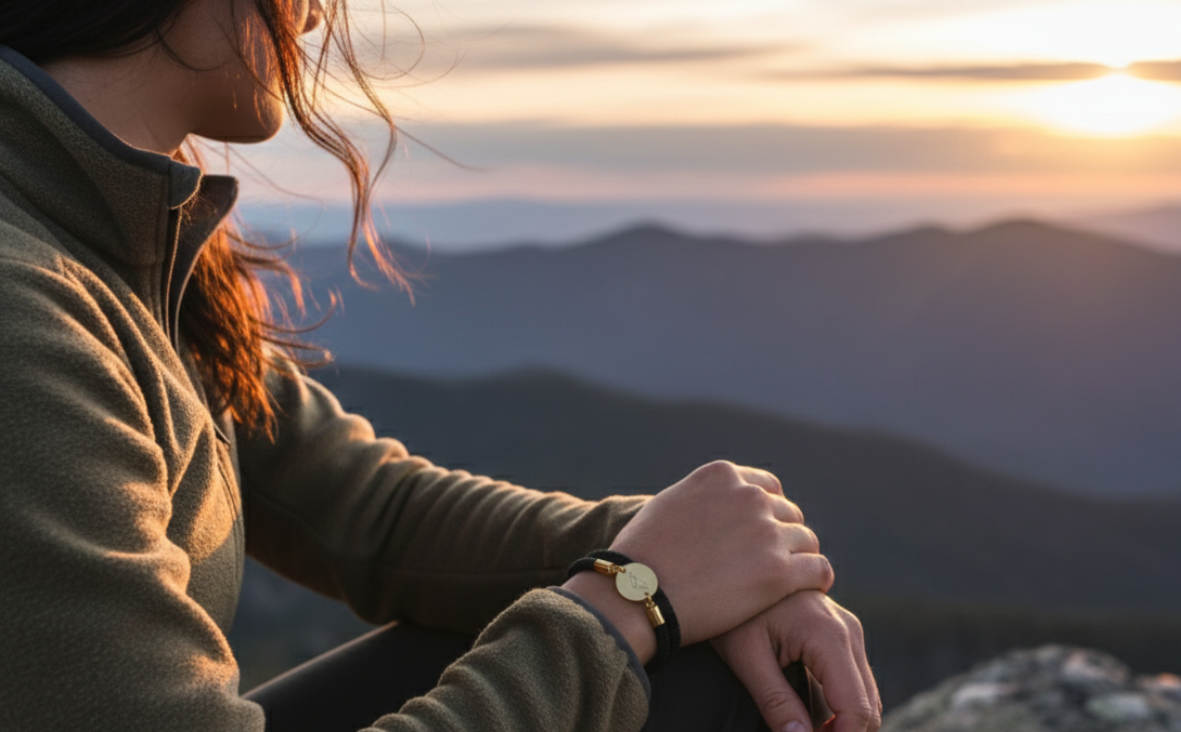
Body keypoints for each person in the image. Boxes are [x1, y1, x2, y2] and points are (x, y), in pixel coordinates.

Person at [0, 0, 882, 730]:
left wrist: (691, 561)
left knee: (700, 654)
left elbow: (369, 514)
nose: (312, 17)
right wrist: (632, 597)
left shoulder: (109, 234)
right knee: (675, 677)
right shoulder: (25, 317)